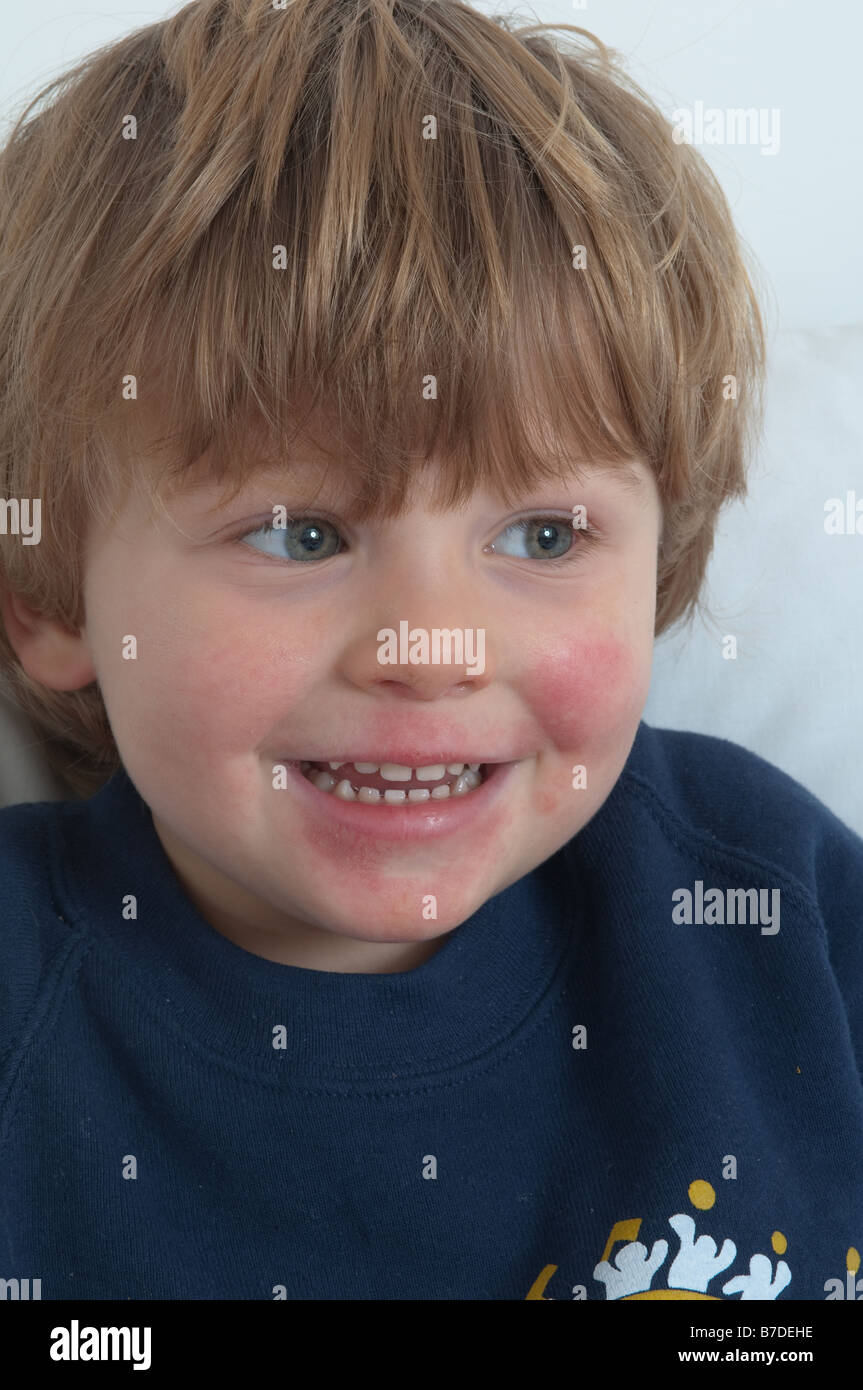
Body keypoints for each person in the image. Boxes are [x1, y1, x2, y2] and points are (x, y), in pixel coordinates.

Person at [0, 0, 860, 1301]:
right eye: (298, 535)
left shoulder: (775, 903)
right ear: (47, 596)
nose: (430, 645)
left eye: (543, 533)